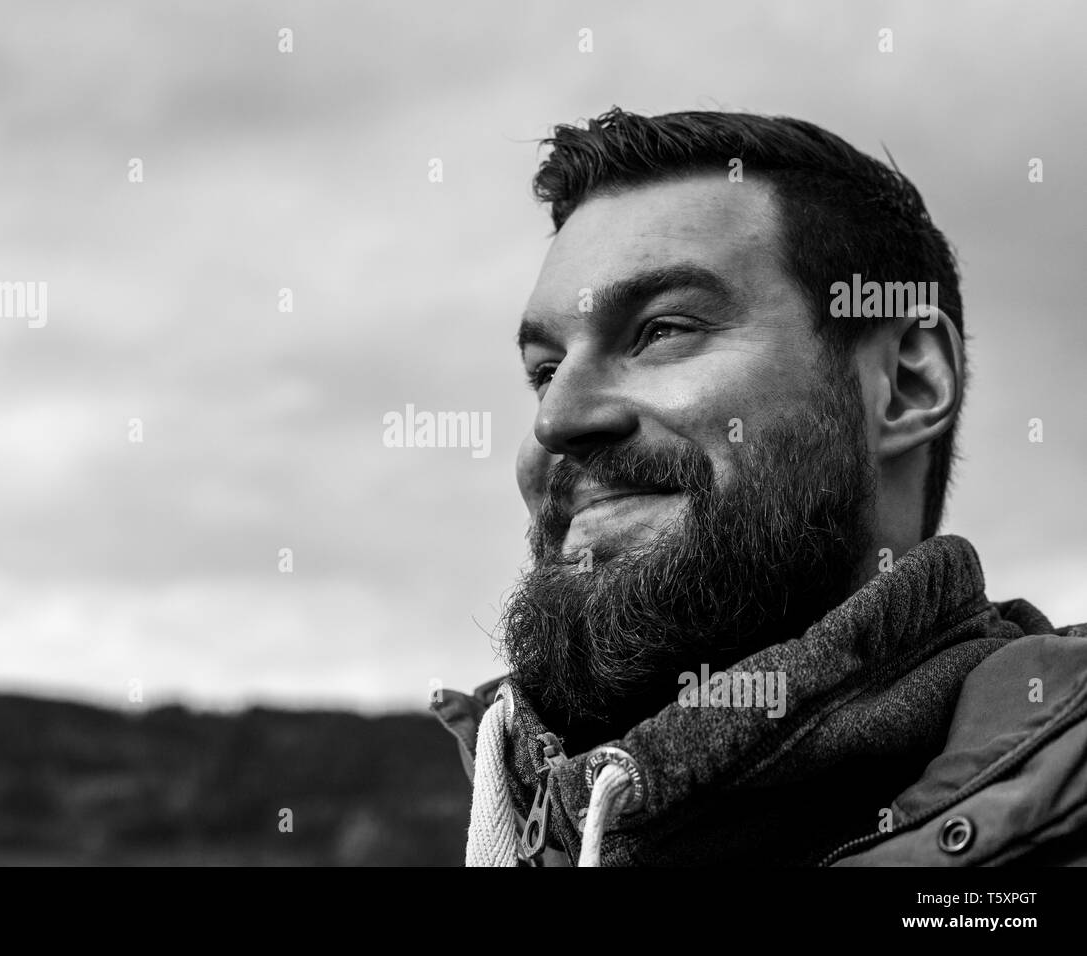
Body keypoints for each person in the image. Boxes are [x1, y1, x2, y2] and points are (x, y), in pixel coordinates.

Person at [432, 109, 1087, 867]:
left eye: (663, 329)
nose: (557, 419)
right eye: (545, 370)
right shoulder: (512, 825)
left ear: (907, 384)